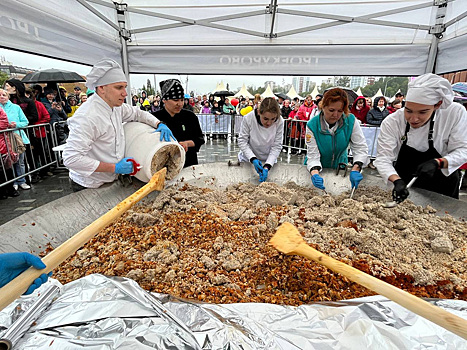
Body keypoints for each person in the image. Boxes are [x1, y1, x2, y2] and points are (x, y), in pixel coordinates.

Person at [63, 59, 174, 191]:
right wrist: (114, 167)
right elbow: (71, 158)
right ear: (102, 88)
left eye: (124, 87)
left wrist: (159, 124)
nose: (125, 93)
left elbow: (138, 114)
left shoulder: (116, 107)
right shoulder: (87, 117)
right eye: (118, 88)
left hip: (111, 180)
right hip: (89, 184)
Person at [374, 73, 467, 202]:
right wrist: (396, 180)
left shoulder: (454, 113)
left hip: (443, 185)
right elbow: (383, 158)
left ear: (437, 105)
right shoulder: (393, 121)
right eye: (408, 110)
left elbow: (463, 149)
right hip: (406, 182)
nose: (413, 118)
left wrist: (439, 162)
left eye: (422, 112)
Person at [305, 88, 368, 191]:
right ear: (323, 106)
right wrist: (315, 173)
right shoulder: (312, 125)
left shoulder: (351, 121)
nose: (335, 115)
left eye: (340, 111)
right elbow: (313, 155)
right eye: (331, 110)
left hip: (339, 167)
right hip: (317, 168)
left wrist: (356, 168)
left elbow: (360, 147)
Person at [152, 79, 205, 168]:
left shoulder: (190, 116)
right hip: (163, 166)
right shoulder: (154, 119)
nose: (180, 104)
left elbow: (199, 139)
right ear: (164, 100)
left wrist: (186, 144)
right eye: (175, 100)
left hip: (188, 163)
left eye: (182, 100)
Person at [238, 97, 284, 183]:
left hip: (269, 159)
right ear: (259, 112)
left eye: (273, 119)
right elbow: (242, 141)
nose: (269, 123)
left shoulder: (280, 121)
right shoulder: (249, 118)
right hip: (248, 159)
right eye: (265, 119)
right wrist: (253, 158)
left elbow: (277, 146)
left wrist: (267, 165)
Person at [0, 88, 31, 191]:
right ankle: (12, 182)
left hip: (17, 137)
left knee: (20, 161)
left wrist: (15, 125)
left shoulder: (16, 107)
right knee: (8, 162)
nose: (1, 97)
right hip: (3, 139)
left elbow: (25, 122)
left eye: (4, 95)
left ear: (8, 96)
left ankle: (21, 181)